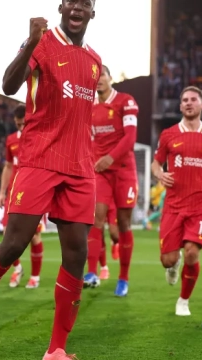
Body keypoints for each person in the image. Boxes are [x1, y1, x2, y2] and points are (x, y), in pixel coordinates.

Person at [0, 1, 101, 360]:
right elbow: (8, 83)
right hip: (39, 159)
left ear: (92, 13)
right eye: (72, 1)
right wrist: (31, 42)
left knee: (77, 254)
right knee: (13, 244)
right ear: (62, 7)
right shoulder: (41, 41)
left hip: (79, 167)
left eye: (86, 3)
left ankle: (55, 351)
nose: (77, 7)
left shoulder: (95, 60)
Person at [151, 86, 202, 316]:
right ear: (180, 106)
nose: (188, 103)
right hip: (173, 206)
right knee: (167, 260)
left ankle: (183, 301)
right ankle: (173, 265)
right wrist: (159, 174)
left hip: (199, 206)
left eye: (193, 99)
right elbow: (156, 163)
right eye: (185, 100)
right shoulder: (168, 134)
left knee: (192, 253)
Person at [87, 65, 139, 296]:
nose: (98, 80)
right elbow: (88, 139)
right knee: (95, 219)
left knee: (123, 225)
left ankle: (123, 278)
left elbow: (130, 138)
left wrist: (109, 158)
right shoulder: (89, 107)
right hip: (101, 172)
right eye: (95, 77)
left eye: (102, 76)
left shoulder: (125, 101)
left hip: (124, 170)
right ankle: (91, 272)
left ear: (110, 78)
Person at [0, 104, 45, 289]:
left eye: (24, 123)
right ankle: (17, 269)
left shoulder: (41, 137)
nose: (21, 127)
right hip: (14, 192)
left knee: (34, 236)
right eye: (18, 124)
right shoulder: (11, 140)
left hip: (34, 192)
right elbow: (8, 166)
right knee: (6, 235)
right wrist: (2, 192)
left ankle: (35, 276)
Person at [98, 201, 120, 280]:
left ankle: (115, 242)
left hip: (113, 202)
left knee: (114, 233)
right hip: (99, 200)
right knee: (99, 233)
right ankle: (104, 268)